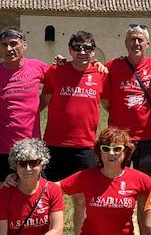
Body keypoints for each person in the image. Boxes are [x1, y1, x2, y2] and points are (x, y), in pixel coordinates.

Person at [0, 28, 51, 181]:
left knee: (32, 192)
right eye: (4, 45)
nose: (9, 49)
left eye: (13, 44)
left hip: (30, 146)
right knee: (2, 192)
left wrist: (38, 107)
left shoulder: (38, 67)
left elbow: (57, 81)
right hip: (2, 147)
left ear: (24, 45)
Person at [39, 30, 107, 181]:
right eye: (77, 48)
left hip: (85, 145)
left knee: (82, 196)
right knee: (49, 191)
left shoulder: (101, 74)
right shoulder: (56, 71)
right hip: (55, 144)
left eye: (87, 48)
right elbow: (43, 100)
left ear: (93, 51)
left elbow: (109, 104)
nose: (82, 51)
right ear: (70, 50)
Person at [104, 25, 151, 176]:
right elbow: (105, 101)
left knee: (144, 183)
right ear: (126, 43)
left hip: (147, 137)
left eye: (140, 39)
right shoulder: (112, 66)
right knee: (116, 179)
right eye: (132, 39)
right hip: (119, 137)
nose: (136, 43)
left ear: (147, 43)